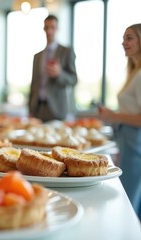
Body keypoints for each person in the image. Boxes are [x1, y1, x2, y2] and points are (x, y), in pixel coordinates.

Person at [98, 23, 141, 220]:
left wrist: (113, 117)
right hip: (129, 141)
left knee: (129, 201)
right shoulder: (134, 73)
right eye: (124, 38)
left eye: (129, 38)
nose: (124, 42)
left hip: (135, 143)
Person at [28, 15, 78, 122]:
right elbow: (33, 84)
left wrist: (59, 74)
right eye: (46, 27)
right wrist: (30, 109)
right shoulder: (37, 56)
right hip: (38, 108)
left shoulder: (66, 52)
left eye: (52, 27)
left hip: (57, 109)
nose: (49, 31)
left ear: (57, 28)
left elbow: (73, 79)